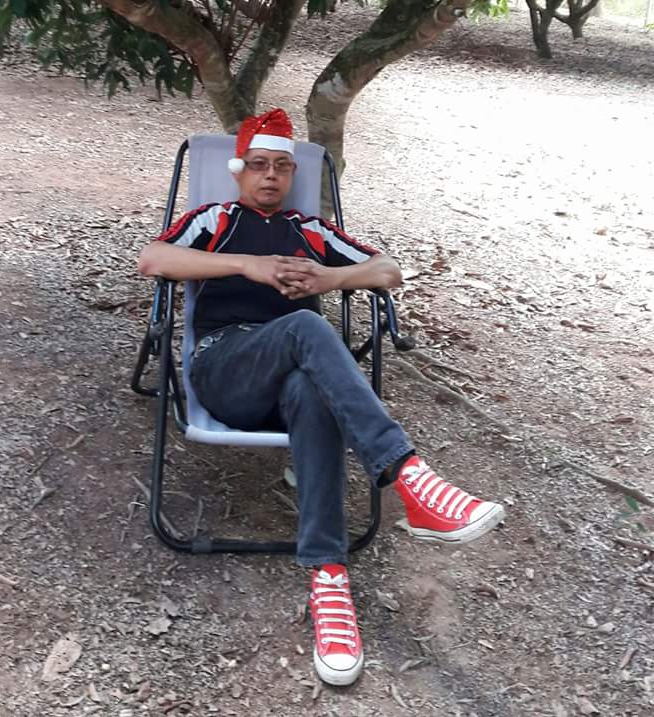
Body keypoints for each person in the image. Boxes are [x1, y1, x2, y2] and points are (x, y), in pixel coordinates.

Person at [138, 108, 505, 687]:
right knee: (309, 328)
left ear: (292, 175)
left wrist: (330, 278)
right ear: (239, 171)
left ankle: (329, 579)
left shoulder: (309, 231)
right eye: (259, 164)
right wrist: (248, 266)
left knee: (312, 386)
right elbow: (153, 259)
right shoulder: (216, 219)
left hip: (291, 379)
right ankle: (408, 477)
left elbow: (388, 270)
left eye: (282, 167)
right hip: (225, 367)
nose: (271, 176)